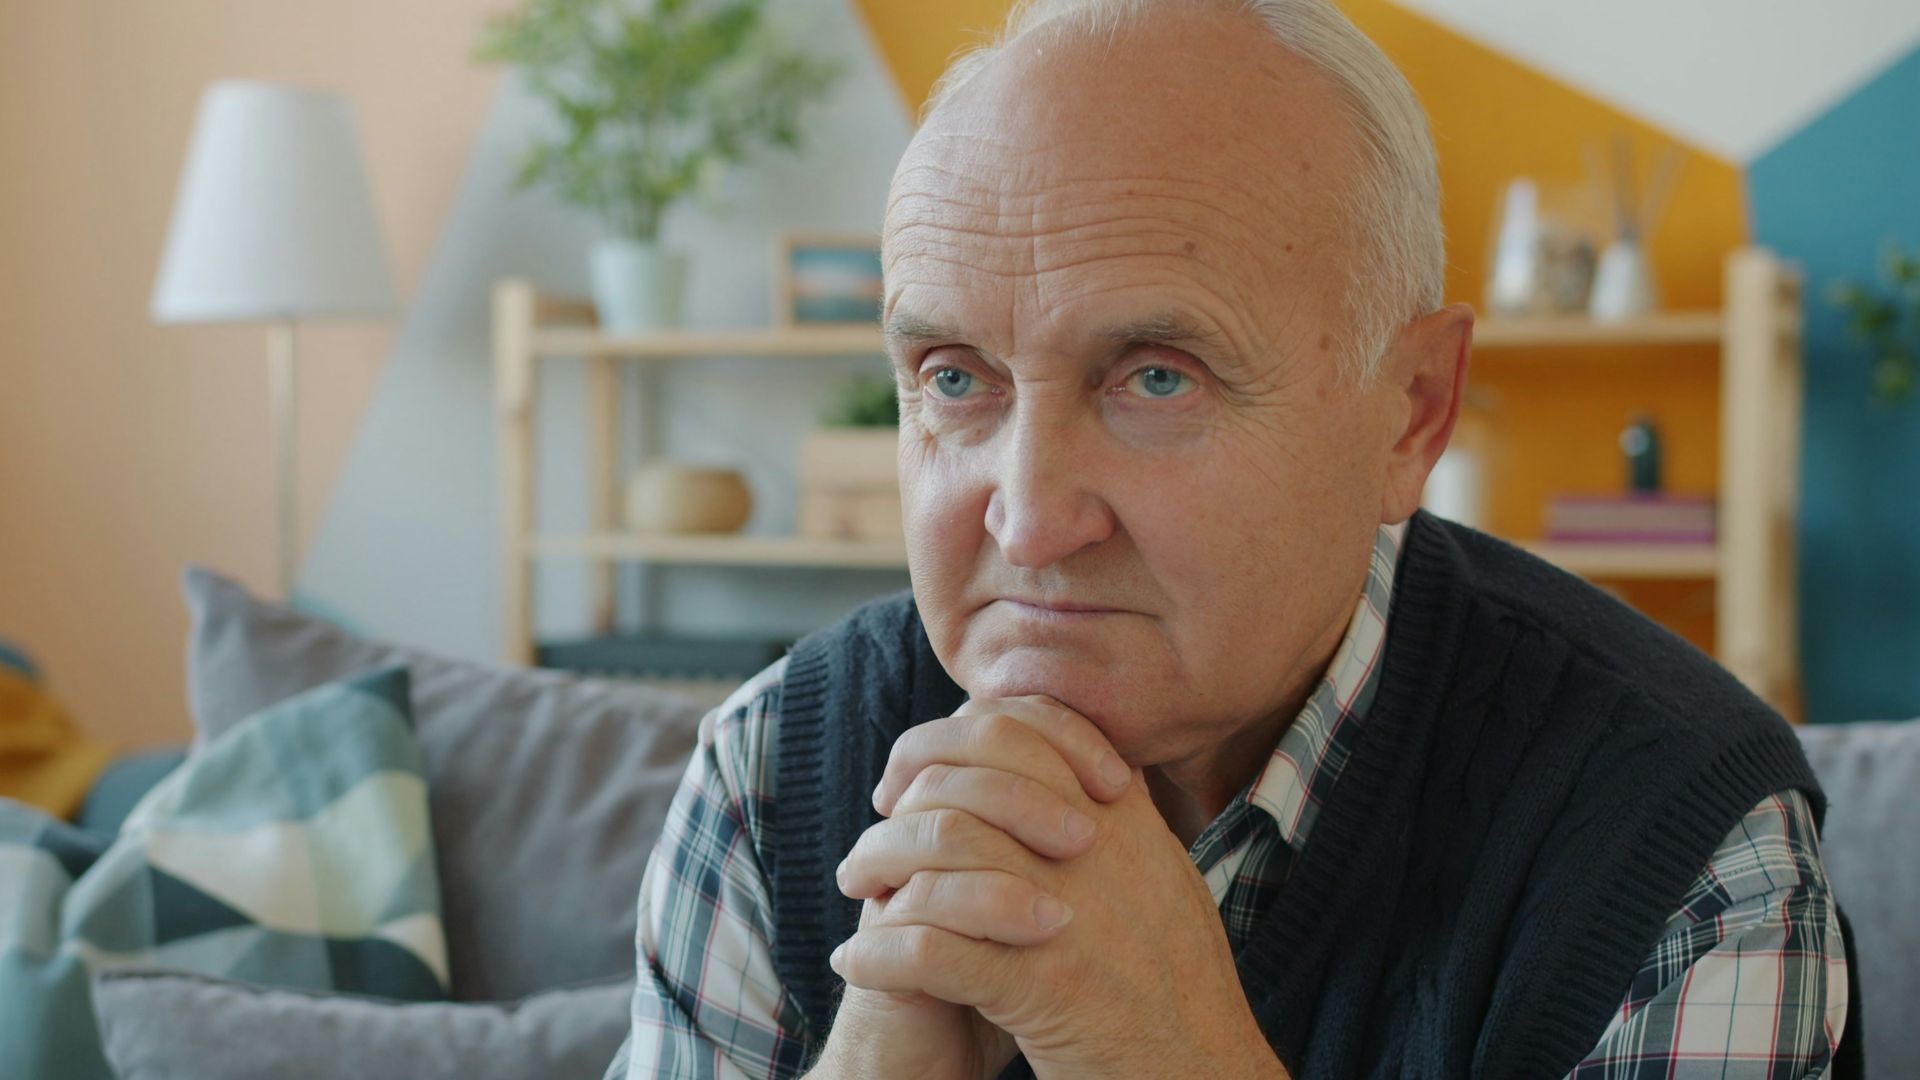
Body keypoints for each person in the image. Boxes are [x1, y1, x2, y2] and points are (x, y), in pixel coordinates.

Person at [607, 0, 1850, 1076]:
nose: (1030, 521)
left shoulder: (1688, 852)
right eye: (952, 377)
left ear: (1412, 412)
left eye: (1157, 377)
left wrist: (1169, 1052)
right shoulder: (772, 779)